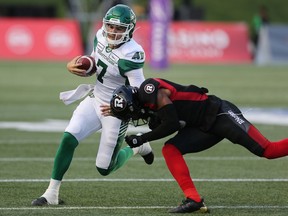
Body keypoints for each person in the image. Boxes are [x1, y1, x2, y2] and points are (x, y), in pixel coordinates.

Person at [31, 4, 154, 206]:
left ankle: (137, 147)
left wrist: (117, 108)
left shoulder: (132, 53)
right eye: (110, 26)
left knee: (104, 168)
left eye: (119, 28)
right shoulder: (100, 35)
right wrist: (79, 64)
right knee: (68, 138)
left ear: (130, 29)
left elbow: (138, 94)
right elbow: (97, 61)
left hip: (116, 111)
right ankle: (51, 193)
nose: (113, 32)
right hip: (95, 98)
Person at [108, 78, 288, 213]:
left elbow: (171, 124)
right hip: (202, 127)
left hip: (219, 114)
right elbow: (170, 121)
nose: (134, 118)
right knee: (170, 149)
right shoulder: (144, 103)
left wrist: (141, 138)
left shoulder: (150, 90)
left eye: (131, 114)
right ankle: (193, 199)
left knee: (268, 150)